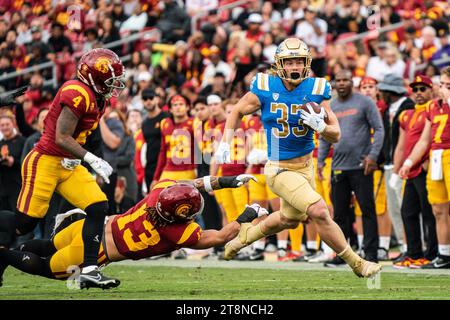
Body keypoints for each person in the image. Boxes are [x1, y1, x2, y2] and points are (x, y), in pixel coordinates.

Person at [214, 37, 381, 278]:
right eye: (289, 62)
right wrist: (225, 142)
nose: (294, 67)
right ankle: (357, 263)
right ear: (280, 64)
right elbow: (238, 110)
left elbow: (336, 134)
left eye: (299, 62)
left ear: (307, 63)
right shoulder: (265, 86)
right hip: (279, 168)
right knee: (320, 211)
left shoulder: (316, 89)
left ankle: (243, 238)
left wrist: (320, 126)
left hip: (306, 167)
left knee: (288, 219)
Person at [0, 48, 126, 289]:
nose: (113, 86)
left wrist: (86, 158)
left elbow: (81, 136)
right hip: (46, 160)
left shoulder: (97, 95)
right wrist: (93, 159)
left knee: (98, 206)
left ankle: (89, 269)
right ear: (92, 77)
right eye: (108, 80)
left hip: (69, 164)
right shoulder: (76, 92)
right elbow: (61, 136)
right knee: (22, 224)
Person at [0, 174, 262, 287]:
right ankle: (3, 255)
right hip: (96, 251)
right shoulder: (178, 232)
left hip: (90, 229)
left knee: (47, 245)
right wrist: (247, 214)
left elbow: (188, 183)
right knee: (47, 267)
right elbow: (221, 236)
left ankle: (8, 256)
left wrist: (227, 181)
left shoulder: (158, 193)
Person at [319, 70, 384, 266]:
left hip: (360, 166)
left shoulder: (365, 102)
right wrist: (321, 161)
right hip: (338, 166)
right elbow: (324, 135)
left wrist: (373, 156)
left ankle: (371, 253)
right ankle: (342, 254)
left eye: (345, 80)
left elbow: (379, 129)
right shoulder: (331, 105)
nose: (341, 83)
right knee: (339, 213)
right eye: (338, 80)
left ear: (351, 82)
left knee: (367, 209)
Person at [398, 66, 450, 269]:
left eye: (449, 85)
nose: (444, 88)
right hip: (436, 156)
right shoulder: (433, 106)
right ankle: (444, 254)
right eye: (443, 84)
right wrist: (409, 162)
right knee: (438, 209)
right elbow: (424, 140)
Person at [392, 75, 438, 268]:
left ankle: (434, 253)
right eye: (415, 89)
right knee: (407, 212)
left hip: (425, 167)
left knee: (429, 213)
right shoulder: (406, 114)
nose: (418, 93)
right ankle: (414, 253)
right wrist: (396, 170)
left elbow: (431, 139)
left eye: (423, 89)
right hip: (410, 169)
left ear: (431, 90)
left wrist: (426, 159)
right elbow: (401, 146)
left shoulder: (433, 109)